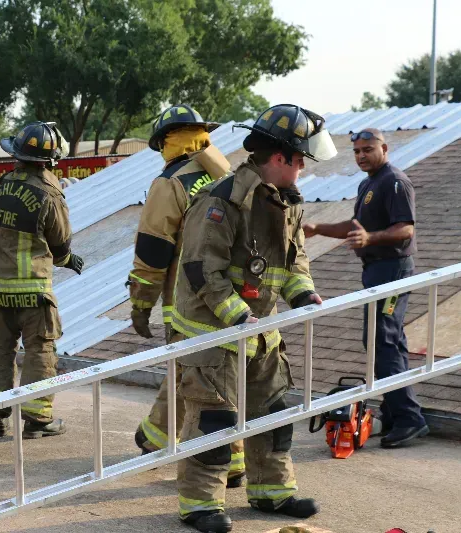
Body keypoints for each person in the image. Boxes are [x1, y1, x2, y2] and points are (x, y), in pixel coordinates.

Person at [172, 104, 335, 532]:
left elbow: (294, 263)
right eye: (300, 160)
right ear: (279, 158)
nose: (303, 169)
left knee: (273, 414)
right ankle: (200, 505)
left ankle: (271, 493)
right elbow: (200, 269)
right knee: (213, 424)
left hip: (262, 332)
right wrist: (240, 317)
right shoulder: (221, 201)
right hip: (216, 335)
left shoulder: (287, 204)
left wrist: (305, 296)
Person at [127, 104, 246, 487]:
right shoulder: (231, 176)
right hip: (232, 299)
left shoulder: (170, 183)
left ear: (164, 140)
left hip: (188, 301)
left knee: (204, 384)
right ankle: (157, 435)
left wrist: (140, 305)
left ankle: (228, 462)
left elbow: (153, 251)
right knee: (212, 373)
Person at [303, 127, 428, 448]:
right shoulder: (368, 183)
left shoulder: (394, 181)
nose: (361, 156)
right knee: (388, 340)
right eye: (357, 151)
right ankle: (396, 411)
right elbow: (355, 226)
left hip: (393, 269)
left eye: (368, 150)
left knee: (381, 339)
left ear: (384, 149)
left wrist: (370, 239)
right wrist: (317, 228)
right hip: (374, 270)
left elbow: (405, 229)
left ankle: (410, 417)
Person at [0, 121, 83, 439]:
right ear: (51, 161)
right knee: (40, 349)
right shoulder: (49, 193)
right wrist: (68, 261)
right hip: (33, 292)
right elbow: (60, 243)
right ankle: (38, 419)